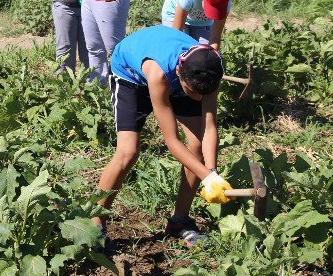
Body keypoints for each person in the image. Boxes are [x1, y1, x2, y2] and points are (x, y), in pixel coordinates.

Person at [92, 25, 233, 250]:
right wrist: (206, 178)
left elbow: (209, 126)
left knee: (196, 147)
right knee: (128, 152)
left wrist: (212, 171)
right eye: (193, 92)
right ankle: (96, 221)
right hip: (131, 77)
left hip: (179, 78)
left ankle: (179, 221)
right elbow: (172, 142)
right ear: (179, 74)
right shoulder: (159, 73)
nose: (198, 98)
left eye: (202, 94)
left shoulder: (210, 69)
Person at [161, 0, 232, 50]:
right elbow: (177, 35)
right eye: (212, 8)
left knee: (203, 51)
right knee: (180, 48)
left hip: (200, 20)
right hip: (174, 13)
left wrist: (210, 58)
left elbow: (215, 38)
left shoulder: (225, 0)